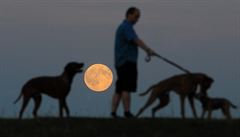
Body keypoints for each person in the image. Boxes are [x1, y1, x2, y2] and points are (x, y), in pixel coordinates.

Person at [111, 7, 157, 118]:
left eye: (138, 17)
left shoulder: (123, 27)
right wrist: (148, 49)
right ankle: (127, 113)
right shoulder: (126, 27)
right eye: (136, 16)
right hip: (127, 62)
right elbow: (136, 40)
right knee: (126, 88)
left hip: (120, 63)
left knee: (119, 88)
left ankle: (113, 113)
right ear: (129, 15)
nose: (137, 19)